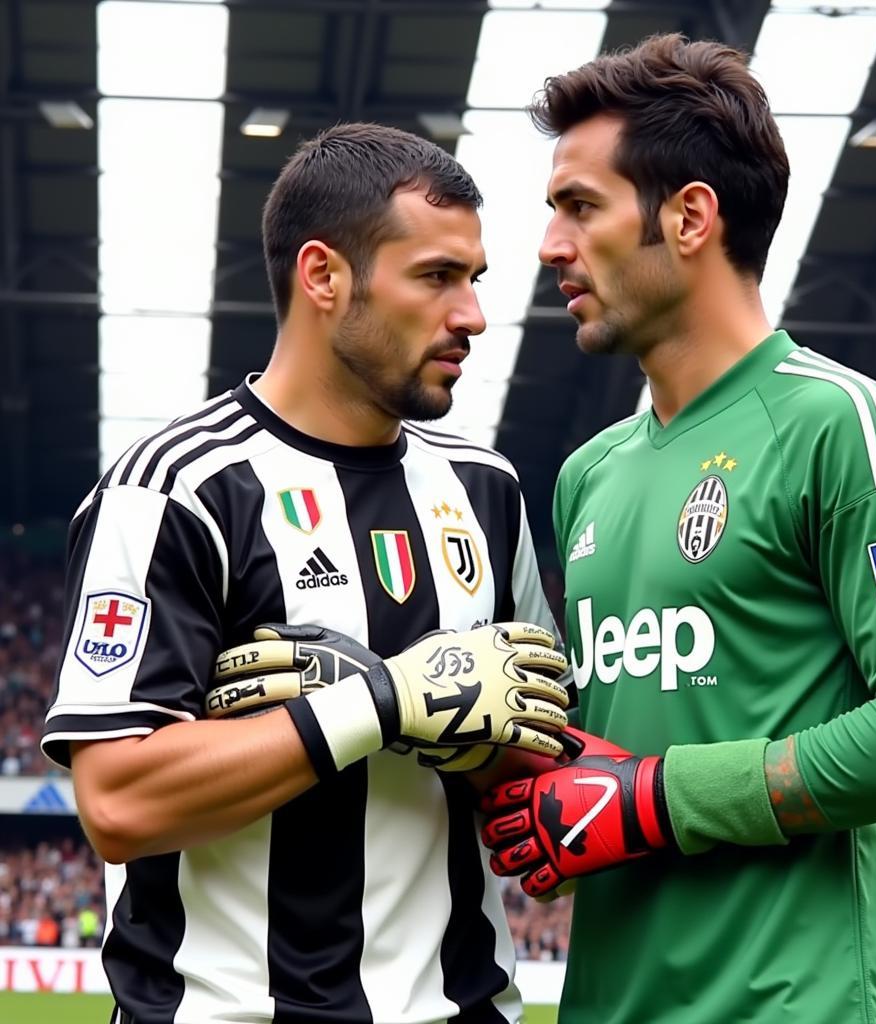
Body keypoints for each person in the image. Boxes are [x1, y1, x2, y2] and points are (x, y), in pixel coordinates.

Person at [479, 34, 876, 1024]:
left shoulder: (848, 430)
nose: (550, 245)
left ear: (689, 217)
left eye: (580, 207)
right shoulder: (588, 474)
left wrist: (652, 801)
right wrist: (537, 798)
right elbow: (617, 754)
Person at [40, 122, 571, 1024]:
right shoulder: (173, 489)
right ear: (323, 276)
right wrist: (378, 701)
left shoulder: (489, 490)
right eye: (437, 276)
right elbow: (117, 801)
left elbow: (539, 761)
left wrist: (469, 730)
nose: (473, 315)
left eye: (474, 280)